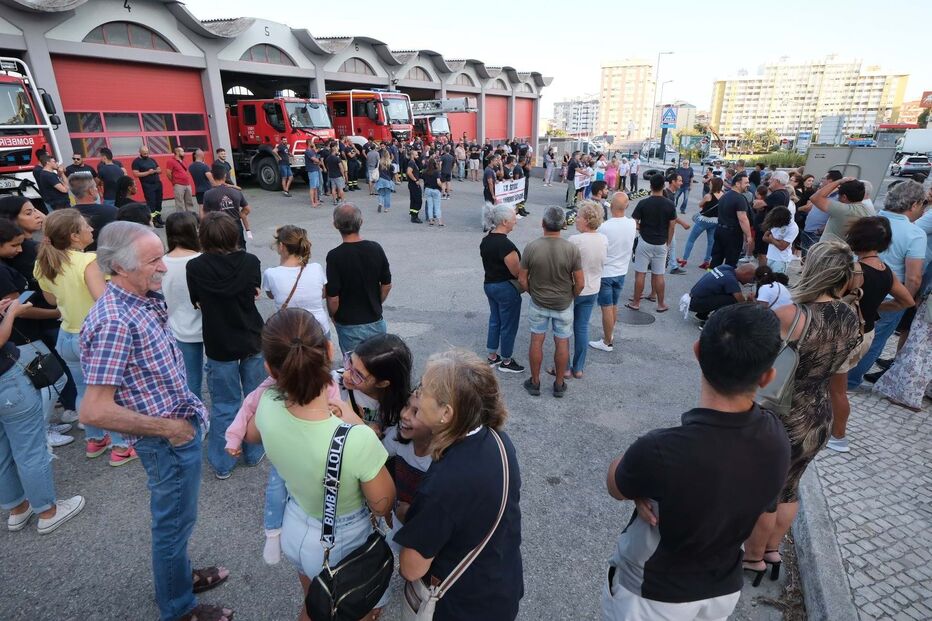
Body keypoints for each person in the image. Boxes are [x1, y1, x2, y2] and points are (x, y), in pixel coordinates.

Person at [79, 221, 232, 621]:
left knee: (180, 523)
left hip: (175, 432)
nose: (164, 266)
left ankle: (178, 579)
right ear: (121, 268)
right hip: (167, 440)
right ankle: (179, 608)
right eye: (153, 260)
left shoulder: (139, 298)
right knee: (172, 528)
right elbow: (94, 410)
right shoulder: (116, 320)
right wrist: (172, 429)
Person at [603, 304, 789, 619]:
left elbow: (616, 484)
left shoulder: (660, 450)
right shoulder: (776, 437)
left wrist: (640, 489)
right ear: (768, 376)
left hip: (655, 592)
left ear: (697, 351)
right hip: (723, 589)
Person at [244, 308, 394, 621]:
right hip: (343, 540)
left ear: (270, 368)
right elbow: (382, 504)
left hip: (295, 525)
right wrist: (357, 424)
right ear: (329, 350)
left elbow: (251, 435)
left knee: (316, 605)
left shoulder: (267, 405)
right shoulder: (355, 438)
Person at [744, 241, 861, 585]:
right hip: (818, 414)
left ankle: (752, 559)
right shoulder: (850, 316)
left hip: (781, 414)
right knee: (790, 487)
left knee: (764, 493)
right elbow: (840, 374)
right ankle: (772, 551)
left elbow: (756, 363)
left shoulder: (790, 316)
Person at [396, 349, 523, 621]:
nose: (417, 394)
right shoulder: (498, 440)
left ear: (446, 413)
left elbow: (411, 568)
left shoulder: (444, 483)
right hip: (500, 586)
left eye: (424, 389)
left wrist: (404, 512)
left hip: (460, 606)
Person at [36, 209, 139, 465]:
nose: (91, 230)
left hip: (67, 335)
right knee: (110, 393)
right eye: (86, 227)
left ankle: (95, 440)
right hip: (95, 337)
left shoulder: (44, 263)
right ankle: (120, 445)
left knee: (84, 391)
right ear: (74, 236)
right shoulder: (87, 262)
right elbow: (102, 300)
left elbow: (52, 301)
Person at [186, 212, 267, 479]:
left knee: (224, 404)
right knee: (255, 398)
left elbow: (196, 302)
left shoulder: (195, 267)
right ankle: (254, 451)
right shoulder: (250, 261)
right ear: (234, 235)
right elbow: (254, 293)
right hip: (251, 336)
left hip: (219, 341)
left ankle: (223, 461)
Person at [0, 293, 86, 534]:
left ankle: (17, 509)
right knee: (30, 449)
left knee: (2, 452)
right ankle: (48, 511)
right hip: (6, 382)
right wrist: (12, 315)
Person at [827, 218, 913, 450]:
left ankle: (838, 437)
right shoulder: (887, 272)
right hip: (867, 332)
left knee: (837, 389)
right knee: (833, 386)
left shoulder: (854, 271)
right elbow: (906, 300)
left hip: (845, 336)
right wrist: (877, 307)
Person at [0, 197, 78, 431]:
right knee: (51, 376)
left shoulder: (26, 250)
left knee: (52, 376)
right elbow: (16, 308)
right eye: (28, 212)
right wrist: (56, 311)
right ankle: (44, 429)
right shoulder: (9, 266)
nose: (38, 215)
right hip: (26, 332)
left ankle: (54, 419)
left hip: (31, 330)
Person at [847, 181, 926, 389]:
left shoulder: (868, 220)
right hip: (888, 296)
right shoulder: (915, 233)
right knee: (873, 340)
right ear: (914, 204)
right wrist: (904, 302)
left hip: (855, 288)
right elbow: (914, 278)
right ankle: (851, 380)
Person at [519, 206, 583, 398]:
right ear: (563, 225)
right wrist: (570, 295)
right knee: (562, 342)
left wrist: (534, 293)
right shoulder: (571, 249)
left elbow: (522, 279)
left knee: (536, 340)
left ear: (542, 223)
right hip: (563, 303)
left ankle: (535, 382)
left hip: (539, 302)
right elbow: (580, 283)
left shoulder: (532, 247)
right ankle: (559, 384)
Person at [325, 204, 392, 354]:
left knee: (354, 371)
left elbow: (333, 297)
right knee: (378, 367)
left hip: (349, 324)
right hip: (375, 319)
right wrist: (375, 301)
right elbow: (386, 285)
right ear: (361, 222)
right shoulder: (376, 248)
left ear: (335, 225)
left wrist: (332, 314)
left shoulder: (335, 256)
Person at [161, 212, 203, 399]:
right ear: (194, 231)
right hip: (211, 328)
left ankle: (195, 423)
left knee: (190, 381)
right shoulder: (202, 260)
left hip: (179, 330)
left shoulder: (160, 263)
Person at [481, 204, 525, 374]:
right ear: (505, 222)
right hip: (505, 288)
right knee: (508, 324)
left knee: (495, 319)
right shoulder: (506, 246)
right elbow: (516, 272)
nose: (515, 222)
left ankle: (492, 355)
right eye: (514, 219)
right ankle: (506, 360)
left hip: (489, 284)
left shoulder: (486, 240)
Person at [589, 192, 636, 352]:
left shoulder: (605, 227)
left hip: (606, 272)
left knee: (606, 307)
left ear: (611, 205)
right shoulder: (631, 224)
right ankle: (610, 334)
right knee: (613, 305)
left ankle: (607, 341)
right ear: (627, 206)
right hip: (622, 271)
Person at [263, 225, 329, 336]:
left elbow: (271, 295)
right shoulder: (316, 268)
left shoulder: (271, 274)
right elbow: (323, 294)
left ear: (281, 246)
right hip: (318, 329)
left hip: (289, 331)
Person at [567, 201, 607, 378]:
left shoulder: (575, 240)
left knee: (564, 329)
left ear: (587, 220)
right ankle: (578, 368)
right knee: (582, 328)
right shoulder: (603, 239)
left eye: (578, 217)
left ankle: (564, 367)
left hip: (574, 288)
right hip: (593, 288)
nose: (576, 219)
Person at [627, 174, 676, 313]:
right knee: (659, 274)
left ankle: (636, 302)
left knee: (640, 273)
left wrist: (642, 228)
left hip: (644, 241)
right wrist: (668, 242)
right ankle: (661, 304)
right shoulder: (669, 204)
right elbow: (672, 226)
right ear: (663, 186)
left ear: (650, 186)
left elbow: (634, 221)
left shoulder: (644, 203)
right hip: (661, 243)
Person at [809, 176, 873, 243]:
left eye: (838, 195)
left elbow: (815, 198)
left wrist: (839, 181)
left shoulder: (845, 210)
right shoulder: (866, 210)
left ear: (844, 197)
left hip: (829, 249)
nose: (838, 198)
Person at [202, 162, 251, 249]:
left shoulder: (208, 194)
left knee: (220, 250)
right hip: (236, 225)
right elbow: (247, 209)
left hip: (218, 227)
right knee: (240, 249)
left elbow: (206, 214)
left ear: (213, 176)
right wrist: (240, 215)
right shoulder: (236, 192)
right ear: (225, 176)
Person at [709, 172, 753, 268]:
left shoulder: (724, 196)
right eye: (746, 183)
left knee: (716, 259)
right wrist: (749, 236)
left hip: (720, 230)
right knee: (731, 262)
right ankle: (726, 280)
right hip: (732, 234)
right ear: (737, 184)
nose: (748, 185)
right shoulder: (740, 199)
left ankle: (711, 277)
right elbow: (743, 219)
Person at [679, 176, 723, 270]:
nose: (709, 184)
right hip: (715, 221)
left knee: (691, 240)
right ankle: (706, 261)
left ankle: (684, 259)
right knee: (711, 242)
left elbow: (700, 205)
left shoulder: (708, 196)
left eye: (711, 183)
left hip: (704, 220)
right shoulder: (723, 195)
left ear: (713, 184)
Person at [688, 263, 757, 322]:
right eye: (753, 278)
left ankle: (701, 315)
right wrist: (749, 301)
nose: (751, 282)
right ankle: (711, 323)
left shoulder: (725, 267)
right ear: (746, 274)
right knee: (732, 300)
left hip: (693, 298)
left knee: (724, 292)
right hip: (697, 303)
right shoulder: (731, 279)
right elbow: (740, 302)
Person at [799, 170, 842, 255]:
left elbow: (837, 216)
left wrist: (820, 230)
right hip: (808, 230)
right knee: (804, 261)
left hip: (816, 234)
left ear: (830, 181)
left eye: (823, 178)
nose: (821, 180)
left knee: (812, 261)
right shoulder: (822, 193)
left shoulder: (838, 197)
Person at [69, 172, 115, 251]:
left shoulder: (65, 216)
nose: (97, 189)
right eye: (95, 187)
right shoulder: (113, 211)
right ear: (91, 191)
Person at [131, 146, 164, 227]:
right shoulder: (136, 162)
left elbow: (160, 170)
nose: (146, 155)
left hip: (157, 184)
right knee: (151, 203)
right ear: (140, 152)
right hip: (148, 185)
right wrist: (148, 172)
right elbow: (136, 174)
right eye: (144, 153)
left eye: (147, 153)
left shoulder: (152, 160)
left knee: (158, 202)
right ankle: (154, 221)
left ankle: (159, 218)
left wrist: (155, 171)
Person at [762, 206, 798, 274]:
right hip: (770, 256)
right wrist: (778, 242)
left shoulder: (793, 228)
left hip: (781, 259)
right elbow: (764, 238)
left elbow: (782, 247)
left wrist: (772, 239)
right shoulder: (775, 222)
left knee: (777, 281)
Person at [165, 147, 195, 213]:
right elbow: (168, 173)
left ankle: (191, 215)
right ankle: (181, 217)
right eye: (182, 151)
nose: (184, 153)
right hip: (178, 184)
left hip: (187, 184)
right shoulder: (171, 161)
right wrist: (174, 181)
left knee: (189, 201)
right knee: (180, 203)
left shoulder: (183, 161)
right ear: (177, 152)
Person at [483, 153, 502, 231]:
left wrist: (496, 181)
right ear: (491, 161)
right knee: (489, 209)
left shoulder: (491, 169)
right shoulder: (489, 170)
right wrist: (493, 195)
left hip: (490, 190)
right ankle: (486, 226)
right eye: (495, 161)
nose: (497, 162)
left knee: (491, 208)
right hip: (489, 191)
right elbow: (490, 183)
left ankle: (490, 224)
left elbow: (493, 180)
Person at [423, 157, 443, 226]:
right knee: (437, 206)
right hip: (436, 190)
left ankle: (431, 220)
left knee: (430, 206)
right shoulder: (436, 172)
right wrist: (442, 187)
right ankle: (440, 221)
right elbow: (438, 182)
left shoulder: (425, 171)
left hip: (428, 189)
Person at [406, 148, 423, 224]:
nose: (417, 155)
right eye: (416, 154)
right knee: (418, 200)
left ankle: (413, 215)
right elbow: (409, 172)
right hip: (414, 184)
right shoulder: (411, 163)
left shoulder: (414, 162)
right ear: (412, 155)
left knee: (413, 200)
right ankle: (415, 216)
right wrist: (415, 180)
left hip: (413, 184)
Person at [305, 143, 322, 207]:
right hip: (312, 171)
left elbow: (316, 161)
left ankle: (316, 201)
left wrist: (317, 161)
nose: (315, 147)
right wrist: (317, 161)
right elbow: (315, 160)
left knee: (316, 187)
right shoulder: (308, 152)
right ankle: (313, 202)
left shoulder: (312, 152)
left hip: (315, 170)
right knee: (312, 187)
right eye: (314, 145)